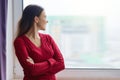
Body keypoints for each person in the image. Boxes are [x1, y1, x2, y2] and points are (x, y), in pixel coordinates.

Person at [13, 4, 65, 80]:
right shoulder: (20, 42)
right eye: (44, 17)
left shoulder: (48, 38)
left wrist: (36, 66)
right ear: (36, 19)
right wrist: (52, 61)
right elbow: (31, 70)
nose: (47, 21)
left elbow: (61, 64)